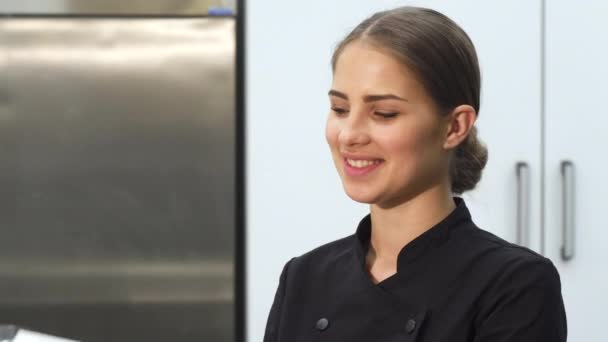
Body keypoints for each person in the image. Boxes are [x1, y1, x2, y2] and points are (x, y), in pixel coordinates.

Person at [263, 6, 567, 342]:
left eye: (384, 113)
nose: (349, 134)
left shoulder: (514, 285)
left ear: (454, 126)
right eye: (340, 109)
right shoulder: (305, 277)